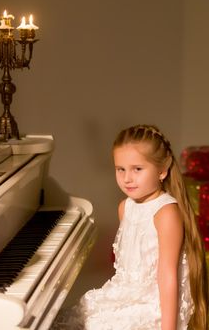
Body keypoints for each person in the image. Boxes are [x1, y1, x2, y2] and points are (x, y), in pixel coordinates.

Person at [51, 124, 208, 330]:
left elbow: (168, 276)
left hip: (155, 307)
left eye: (137, 169)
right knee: (63, 321)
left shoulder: (166, 212)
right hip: (126, 294)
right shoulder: (125, 207)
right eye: (120, 169)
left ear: (162, 170)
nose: (127, 178)